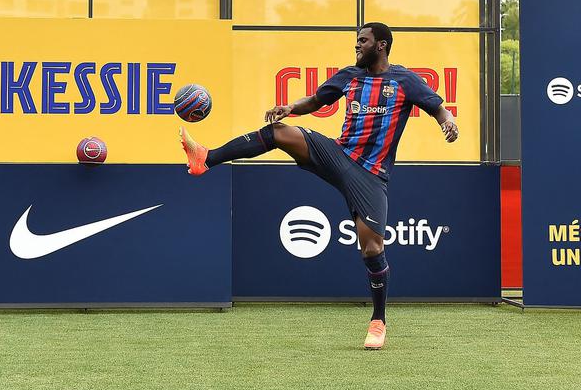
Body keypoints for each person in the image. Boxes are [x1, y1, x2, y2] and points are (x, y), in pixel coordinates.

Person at [179, 22, 458, 350]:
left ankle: (378, 321)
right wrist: (290, 108)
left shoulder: (404, 80)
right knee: (279, 131)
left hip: (370, 174)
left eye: (363, 41)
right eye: (357, 41)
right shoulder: (350, 76)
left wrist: (448, 121)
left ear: (381, 45)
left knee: (372, 248)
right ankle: (206, 158)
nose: (357, 46)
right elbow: (317, 100)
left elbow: (436, 106)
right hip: (337, 154)